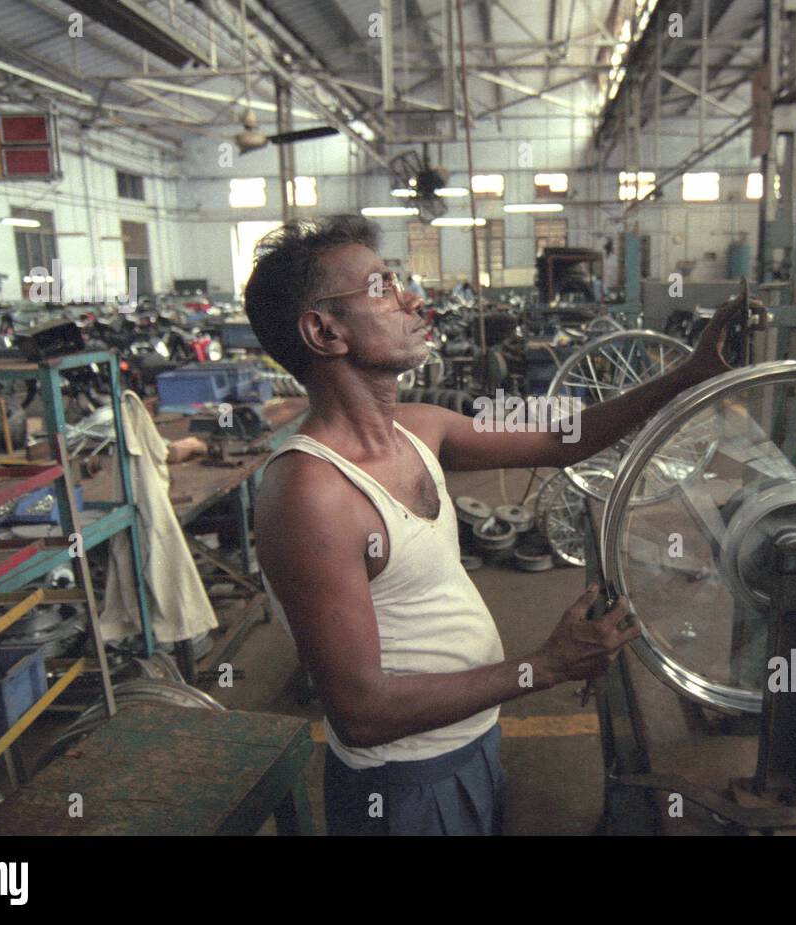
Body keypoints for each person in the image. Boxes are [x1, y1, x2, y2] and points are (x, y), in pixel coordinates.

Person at [244, 216, 751, 836]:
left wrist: (689, 375)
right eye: (382, 288)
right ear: (323, 331)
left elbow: (567, 438)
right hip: (403, 782)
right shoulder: (310, 493)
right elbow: (361, 715)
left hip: (470, 740)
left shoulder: (419, 426)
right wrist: (547, 667)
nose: (411, 299)